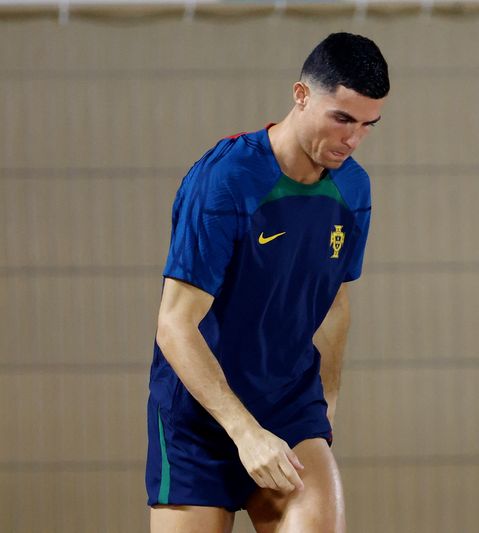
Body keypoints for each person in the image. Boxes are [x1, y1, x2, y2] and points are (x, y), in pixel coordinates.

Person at [145, 32, 389, 533]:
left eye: (368, 124)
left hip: (288, 405)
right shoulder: (225, 180)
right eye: (342, 118)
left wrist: (325, 410)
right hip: (199, 418)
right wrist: (244, 432)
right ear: (301, 96)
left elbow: (334, 303)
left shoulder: (354, 188)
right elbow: (174, 325)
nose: (353, 138)